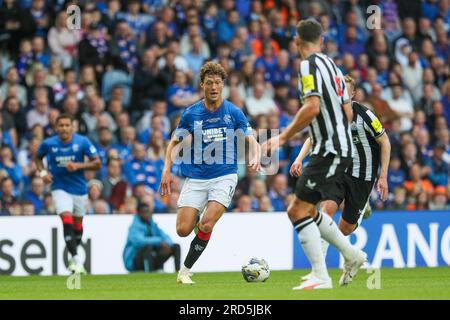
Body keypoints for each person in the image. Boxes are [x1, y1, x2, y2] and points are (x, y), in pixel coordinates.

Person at [262, 19, 366, 290]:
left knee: (297, 210)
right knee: (305, 209)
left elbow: (311, 108)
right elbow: (347, 111)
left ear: (297, 41)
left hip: (329, 148)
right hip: (333, 147)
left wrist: (282, 137)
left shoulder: (307, 66)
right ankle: (352, 256)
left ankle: (321, 275)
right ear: (321, 39)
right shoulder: (333, 66)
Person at [159, 62, 260, 284]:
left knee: (206, 225)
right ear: (202, 85)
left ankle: (184, 271)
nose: (214, 86)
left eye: (217, 82)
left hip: (225, 175)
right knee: (183, 230)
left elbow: (251, 139)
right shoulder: (191, 113)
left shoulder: (233, 112)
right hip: (196, 177)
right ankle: (198, 224)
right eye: (209, 83)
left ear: (223, 85)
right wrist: (166, 170)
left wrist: (255, 154)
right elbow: (173, 142)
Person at [290, 75, 391, 282]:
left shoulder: (366, 115)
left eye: (345, 90)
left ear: (352, 94)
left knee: (345, 229)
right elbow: (313, 138)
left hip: (363, 177)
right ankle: (320, 272)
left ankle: (363, 210)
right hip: (338, 170)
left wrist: (383, 176)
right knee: (326, 211)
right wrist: (299, 159)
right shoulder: (329, 114)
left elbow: (385, 142)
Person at [35, 114, 101, 274]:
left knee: (78, 226)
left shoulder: (82, 141)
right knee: (66, 219)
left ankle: (73, 258)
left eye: (67, 125)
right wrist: (42, 173)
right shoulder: (48, 144)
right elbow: (38, 158)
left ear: (72, 127)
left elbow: (97, 163)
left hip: (79, 189)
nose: (64, 128)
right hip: (59, 187)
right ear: (57, 127)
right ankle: (77, 259)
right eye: (61, 125)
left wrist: (78, 166)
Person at [123, 203, 181, 272]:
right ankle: (149, 273)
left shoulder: (152, 224)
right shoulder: (134, 227)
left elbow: (164, 236)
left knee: (175, 246)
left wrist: (168, 244)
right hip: (134, 262)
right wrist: (160, 242)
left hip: (152, 257)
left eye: (148, 212)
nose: (147, 214)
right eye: (144, 212)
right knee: (147, 247)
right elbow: (139, 242)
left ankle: (178, 273)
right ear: (138, 213)